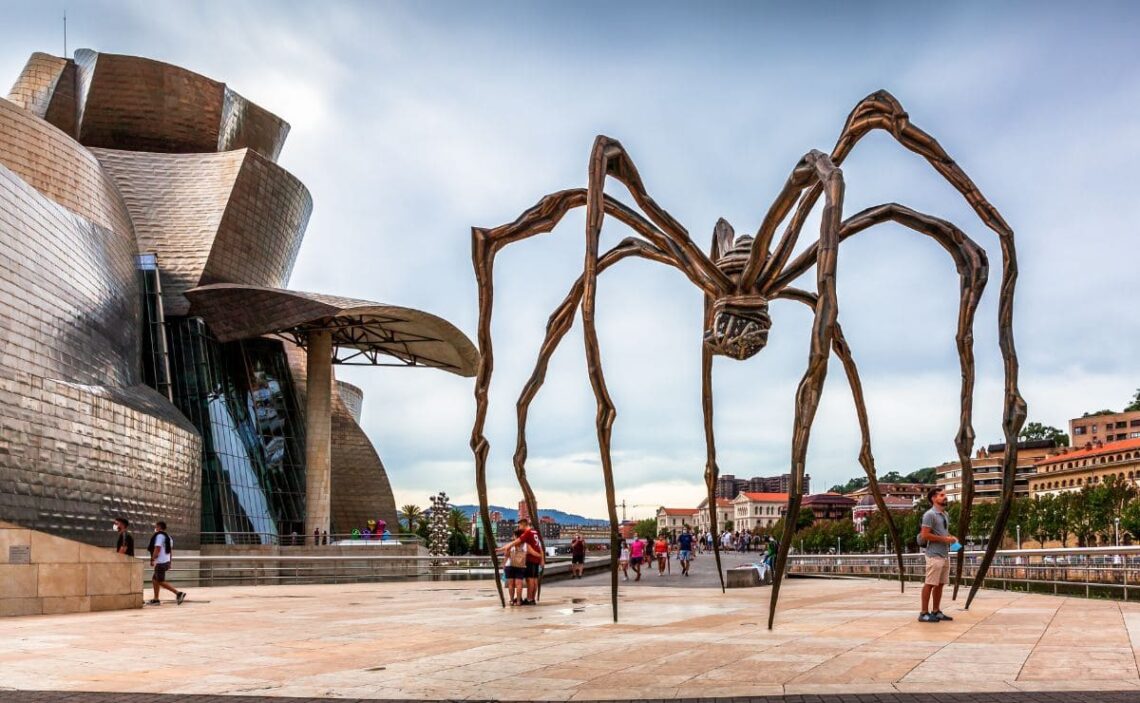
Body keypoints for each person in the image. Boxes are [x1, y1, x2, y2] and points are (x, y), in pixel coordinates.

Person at [919, 486, 957, 623]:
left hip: (944, 554)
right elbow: (925, 535)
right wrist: (944, 539)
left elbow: (943, 534)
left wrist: (951, 538)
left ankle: (936, 610)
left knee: (940, 584)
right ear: (934, 499)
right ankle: (923, 613)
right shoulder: (929, 515)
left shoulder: (945, 515)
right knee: (929, 583)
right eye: (941, 495)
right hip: (933, 555)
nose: (945, 497)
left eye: (944, 495)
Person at [501, 517, 544, 604]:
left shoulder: (527, 533)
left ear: (523, 524)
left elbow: (518, 541)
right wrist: (542, 559)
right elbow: (540, 547)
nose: (519, 527)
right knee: (534, 580)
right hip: (536, 559)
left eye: (519, 525)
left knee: (530, 580)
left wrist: (507, 546)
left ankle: (529, 599)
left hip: (530, 559)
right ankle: (532, 598)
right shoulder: (535, 532)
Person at [147, 521, 186, 606]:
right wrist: (169, 562)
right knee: (154, 579)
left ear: (159, 527)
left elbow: (157, 549)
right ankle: (156, 599)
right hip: (165, 561)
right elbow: (170, 552)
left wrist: (152, 559)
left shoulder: (160, 536)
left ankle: (178, 593)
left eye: (156, 527)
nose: (155, 528)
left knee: (160, 581)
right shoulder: (169, 537)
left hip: (160, 562)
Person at [502, 528, 527, 605]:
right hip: (520, 565)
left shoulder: (510, 544)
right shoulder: (525, 544)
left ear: (516, 535)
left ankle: (512, 601)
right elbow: (526, 555)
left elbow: (506, 555)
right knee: (519, 584)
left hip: (509, 565)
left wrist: (503, 564)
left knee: (510, 584)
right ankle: (519, 601)